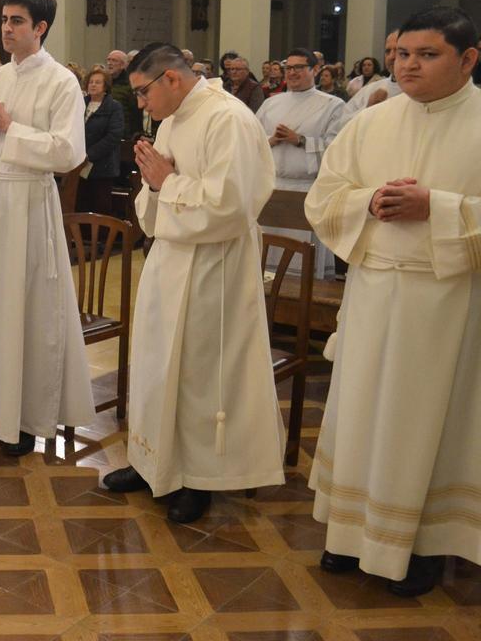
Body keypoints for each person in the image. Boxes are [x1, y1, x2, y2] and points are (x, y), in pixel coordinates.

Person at [304, 6, 481, 597]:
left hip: (449, 304)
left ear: (469, 59)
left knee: (426, 422)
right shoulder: (370, 122)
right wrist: (370, 200)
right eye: (403, 53)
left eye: (427, 55)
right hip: (375, 293)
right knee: (361, 411)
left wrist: (440, 207)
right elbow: (325, 197)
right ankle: (350, 535)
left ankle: (424, 542)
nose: (408, 65)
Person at [102, 44, 284, 523]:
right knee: (157, 363)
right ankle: (150, 461)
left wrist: (166, 184)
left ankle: (199, 479)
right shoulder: (172, 119)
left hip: (213, 266)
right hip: (171, 258)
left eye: (143, 92)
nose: (140, 104)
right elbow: (155, 191)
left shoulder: (229, 120)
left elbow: (232, 206)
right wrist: (156, 184)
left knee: (202, 374)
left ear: (172, 80)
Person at [0, 0, 96, 457]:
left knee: (23, 307)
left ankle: (23, 419)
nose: (7, 29)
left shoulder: (61, 82)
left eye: (17, 21)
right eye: (5, 20)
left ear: (41, 27)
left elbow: (69, 151)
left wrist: (9, 128)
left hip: (30, 204)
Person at [256, 48, 345, 279]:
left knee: (302, 261)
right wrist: (272, 140)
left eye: (299, 67)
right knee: (266, 258)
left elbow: (339, 151)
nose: (292, 73)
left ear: (315, 69)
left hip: (307, 190)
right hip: (272, 188)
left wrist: (300, 140)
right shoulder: (271, 104)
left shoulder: (332, 105)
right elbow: (252, 142)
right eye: (289, 68)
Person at [331, 31, 403, 134]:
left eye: (398, 51)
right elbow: (341, 125)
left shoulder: (424, 93)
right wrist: (368, 108)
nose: (392, 56)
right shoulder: (370, 89)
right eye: (387, 51)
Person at [77, 66, 125, 216]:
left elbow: (114, 136)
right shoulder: (79, 103)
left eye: (98, 82)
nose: (93, 85)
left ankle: (100, 238)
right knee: (80, 202)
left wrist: (89, 155)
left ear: (105, 86)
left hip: (102, 165)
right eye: (91, 82)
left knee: (100, 204)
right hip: (78, 164)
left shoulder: (113, 107)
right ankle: (79, 237)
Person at [106, 49, 136, 136]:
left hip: (123, 132)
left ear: (123, 65)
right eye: (108, 60)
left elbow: (135, 112)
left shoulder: (130, 84)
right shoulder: (104, 83)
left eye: (114, 60)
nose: (109, 63)